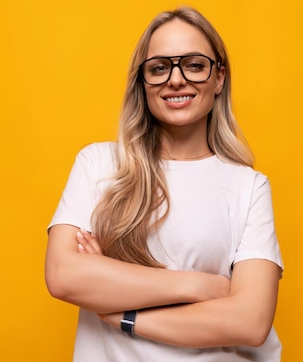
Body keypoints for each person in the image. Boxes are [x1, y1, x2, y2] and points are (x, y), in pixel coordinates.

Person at [45, 6, 284, 362]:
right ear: (142, 82)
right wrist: (201, 286)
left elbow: (250, 322)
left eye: (194, 64)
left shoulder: (249, 187)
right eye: (159, 68)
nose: (176, 79)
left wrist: (121, 313)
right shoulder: (99, 165)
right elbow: (64, 275)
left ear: (219, 78)